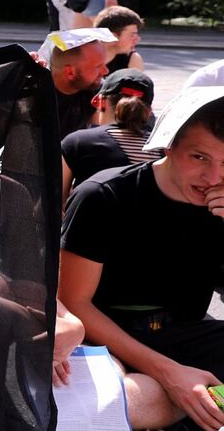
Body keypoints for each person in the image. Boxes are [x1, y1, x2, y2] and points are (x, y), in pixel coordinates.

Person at [58, 95, 224, 431]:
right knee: (120, 399)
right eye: (199, 157)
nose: (214, 177)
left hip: (183, 332)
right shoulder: (104, 196)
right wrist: (170, 374)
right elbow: (74, 303)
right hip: (105, 338)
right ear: (168, 146)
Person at [60, 68, 159, 202]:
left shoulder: (77, 142)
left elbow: (55, 200)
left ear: (101, 102)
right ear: (148, 112)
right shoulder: (162, 149)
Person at [49, 36, 110, 139]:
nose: (106, 71)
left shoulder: (96, 90)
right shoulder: (33, 96)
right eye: (98, 66)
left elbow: (100, 131)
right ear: (70, 72)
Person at [93, 5, 145, 73]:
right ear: (112, 36)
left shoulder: (132, 59)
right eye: (132, 35)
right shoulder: (84, 56)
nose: (137, 39)